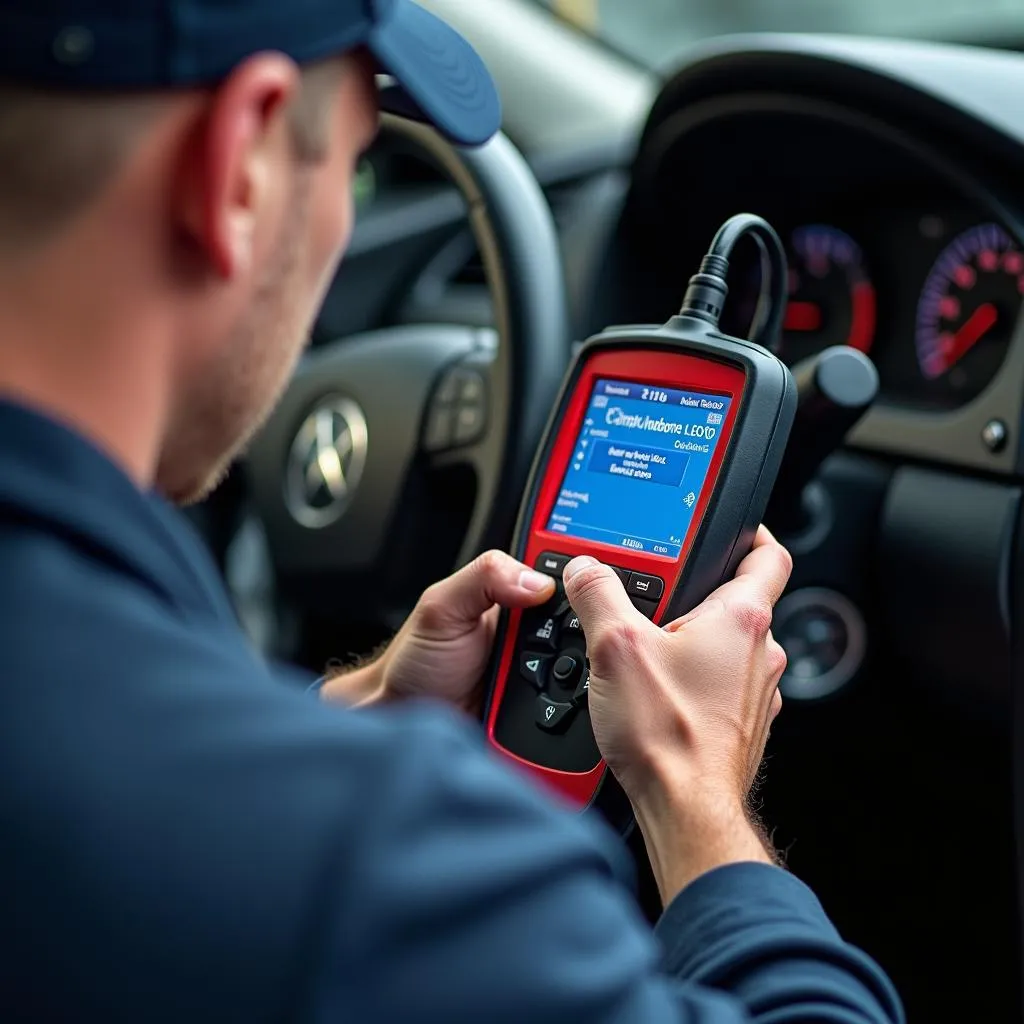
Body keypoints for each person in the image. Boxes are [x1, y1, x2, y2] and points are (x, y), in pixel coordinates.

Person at [0, 1, 903, 1021]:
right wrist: (693, 792)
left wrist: (352, 711)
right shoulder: (385, 876)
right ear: (239, 165)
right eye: (352, 163)